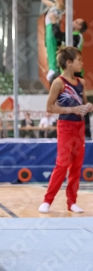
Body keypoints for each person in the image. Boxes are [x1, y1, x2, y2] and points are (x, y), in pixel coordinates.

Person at [39, 47, 93, 214]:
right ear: (69, 63)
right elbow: (49, 108)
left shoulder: (81, 83)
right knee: (62, 164)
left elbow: (82, 105)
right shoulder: (58, 83)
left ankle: (72, 202)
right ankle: (47, 201)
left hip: (80, 127)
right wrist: (73, 110)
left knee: (77, 166)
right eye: (79, 60)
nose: (82, 63)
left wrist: (87, 107)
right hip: (66, 127)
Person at [37, 0, 65, 81]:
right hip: (48, 27)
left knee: (52, 48)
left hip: (53, 28)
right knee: (49, 47)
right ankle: (52, 68)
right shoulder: (53, 5)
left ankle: (53, 68)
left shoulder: (60, 6)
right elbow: (44, 0)